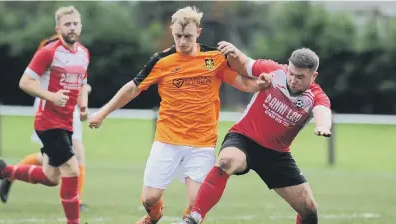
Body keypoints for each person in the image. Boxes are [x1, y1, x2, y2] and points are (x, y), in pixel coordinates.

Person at [88, 6, 268, 224]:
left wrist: (259, 84)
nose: (183, 41)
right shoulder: (161, 61)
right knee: (149, 198)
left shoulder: (214, 58)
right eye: (178, 36)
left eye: (188, 36)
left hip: (202, 143)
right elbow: (133, 88)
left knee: (196, 207)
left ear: (198, 33)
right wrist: (103, 113)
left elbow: (241, 83)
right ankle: (153, 216)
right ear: (171, 30)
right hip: (167, 139)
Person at [179, 41, 332, 224]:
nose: (292, 79)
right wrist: (234, 52)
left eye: (300, 77)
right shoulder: (273, 70)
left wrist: (323, 126)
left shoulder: (316, 95)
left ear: (313, 76)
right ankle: (193, 219)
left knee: (309, 210)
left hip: (277, 155)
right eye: (291, 73)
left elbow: (323, 110)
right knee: (227, 161)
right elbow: (244, 64)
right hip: (243, 139)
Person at [0, 6, 89, 224]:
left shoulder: (84, 53)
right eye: (67, 24)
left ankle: (5, 171)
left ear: (81, 26)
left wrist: (84, 107)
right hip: (48, 122)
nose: (72, 27)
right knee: (72, 168)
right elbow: (25, 82)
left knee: (51, 178)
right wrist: (50, 96)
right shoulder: (48, 52)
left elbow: (82, 82)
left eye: (75, 23)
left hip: (67, 121)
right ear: (58, 28)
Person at [0, 34, 91, 211]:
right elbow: (33, 79)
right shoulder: (48, 47)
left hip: (69, 108)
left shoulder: (79, 51)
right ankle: (9, 174)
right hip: (48, 106)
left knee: (75, 152)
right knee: (52, 166)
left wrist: (83, 93)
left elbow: (80, 81)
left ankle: (76, 202)